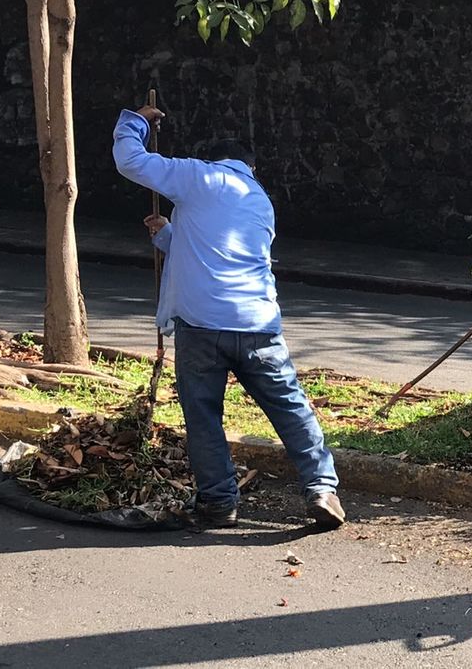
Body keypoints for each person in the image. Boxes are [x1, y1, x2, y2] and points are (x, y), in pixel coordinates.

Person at [113, 105, 344, 530]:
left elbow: (131, 160)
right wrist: (167, 233)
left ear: (212, 160)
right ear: (249, 166)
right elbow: (219, 252)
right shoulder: (259, 200)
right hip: (258, 324)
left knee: (203, 415)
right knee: (291, 409)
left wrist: (136, 122)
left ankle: (219, 502)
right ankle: (322, 489)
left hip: (202, 326)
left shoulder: (200, 176)